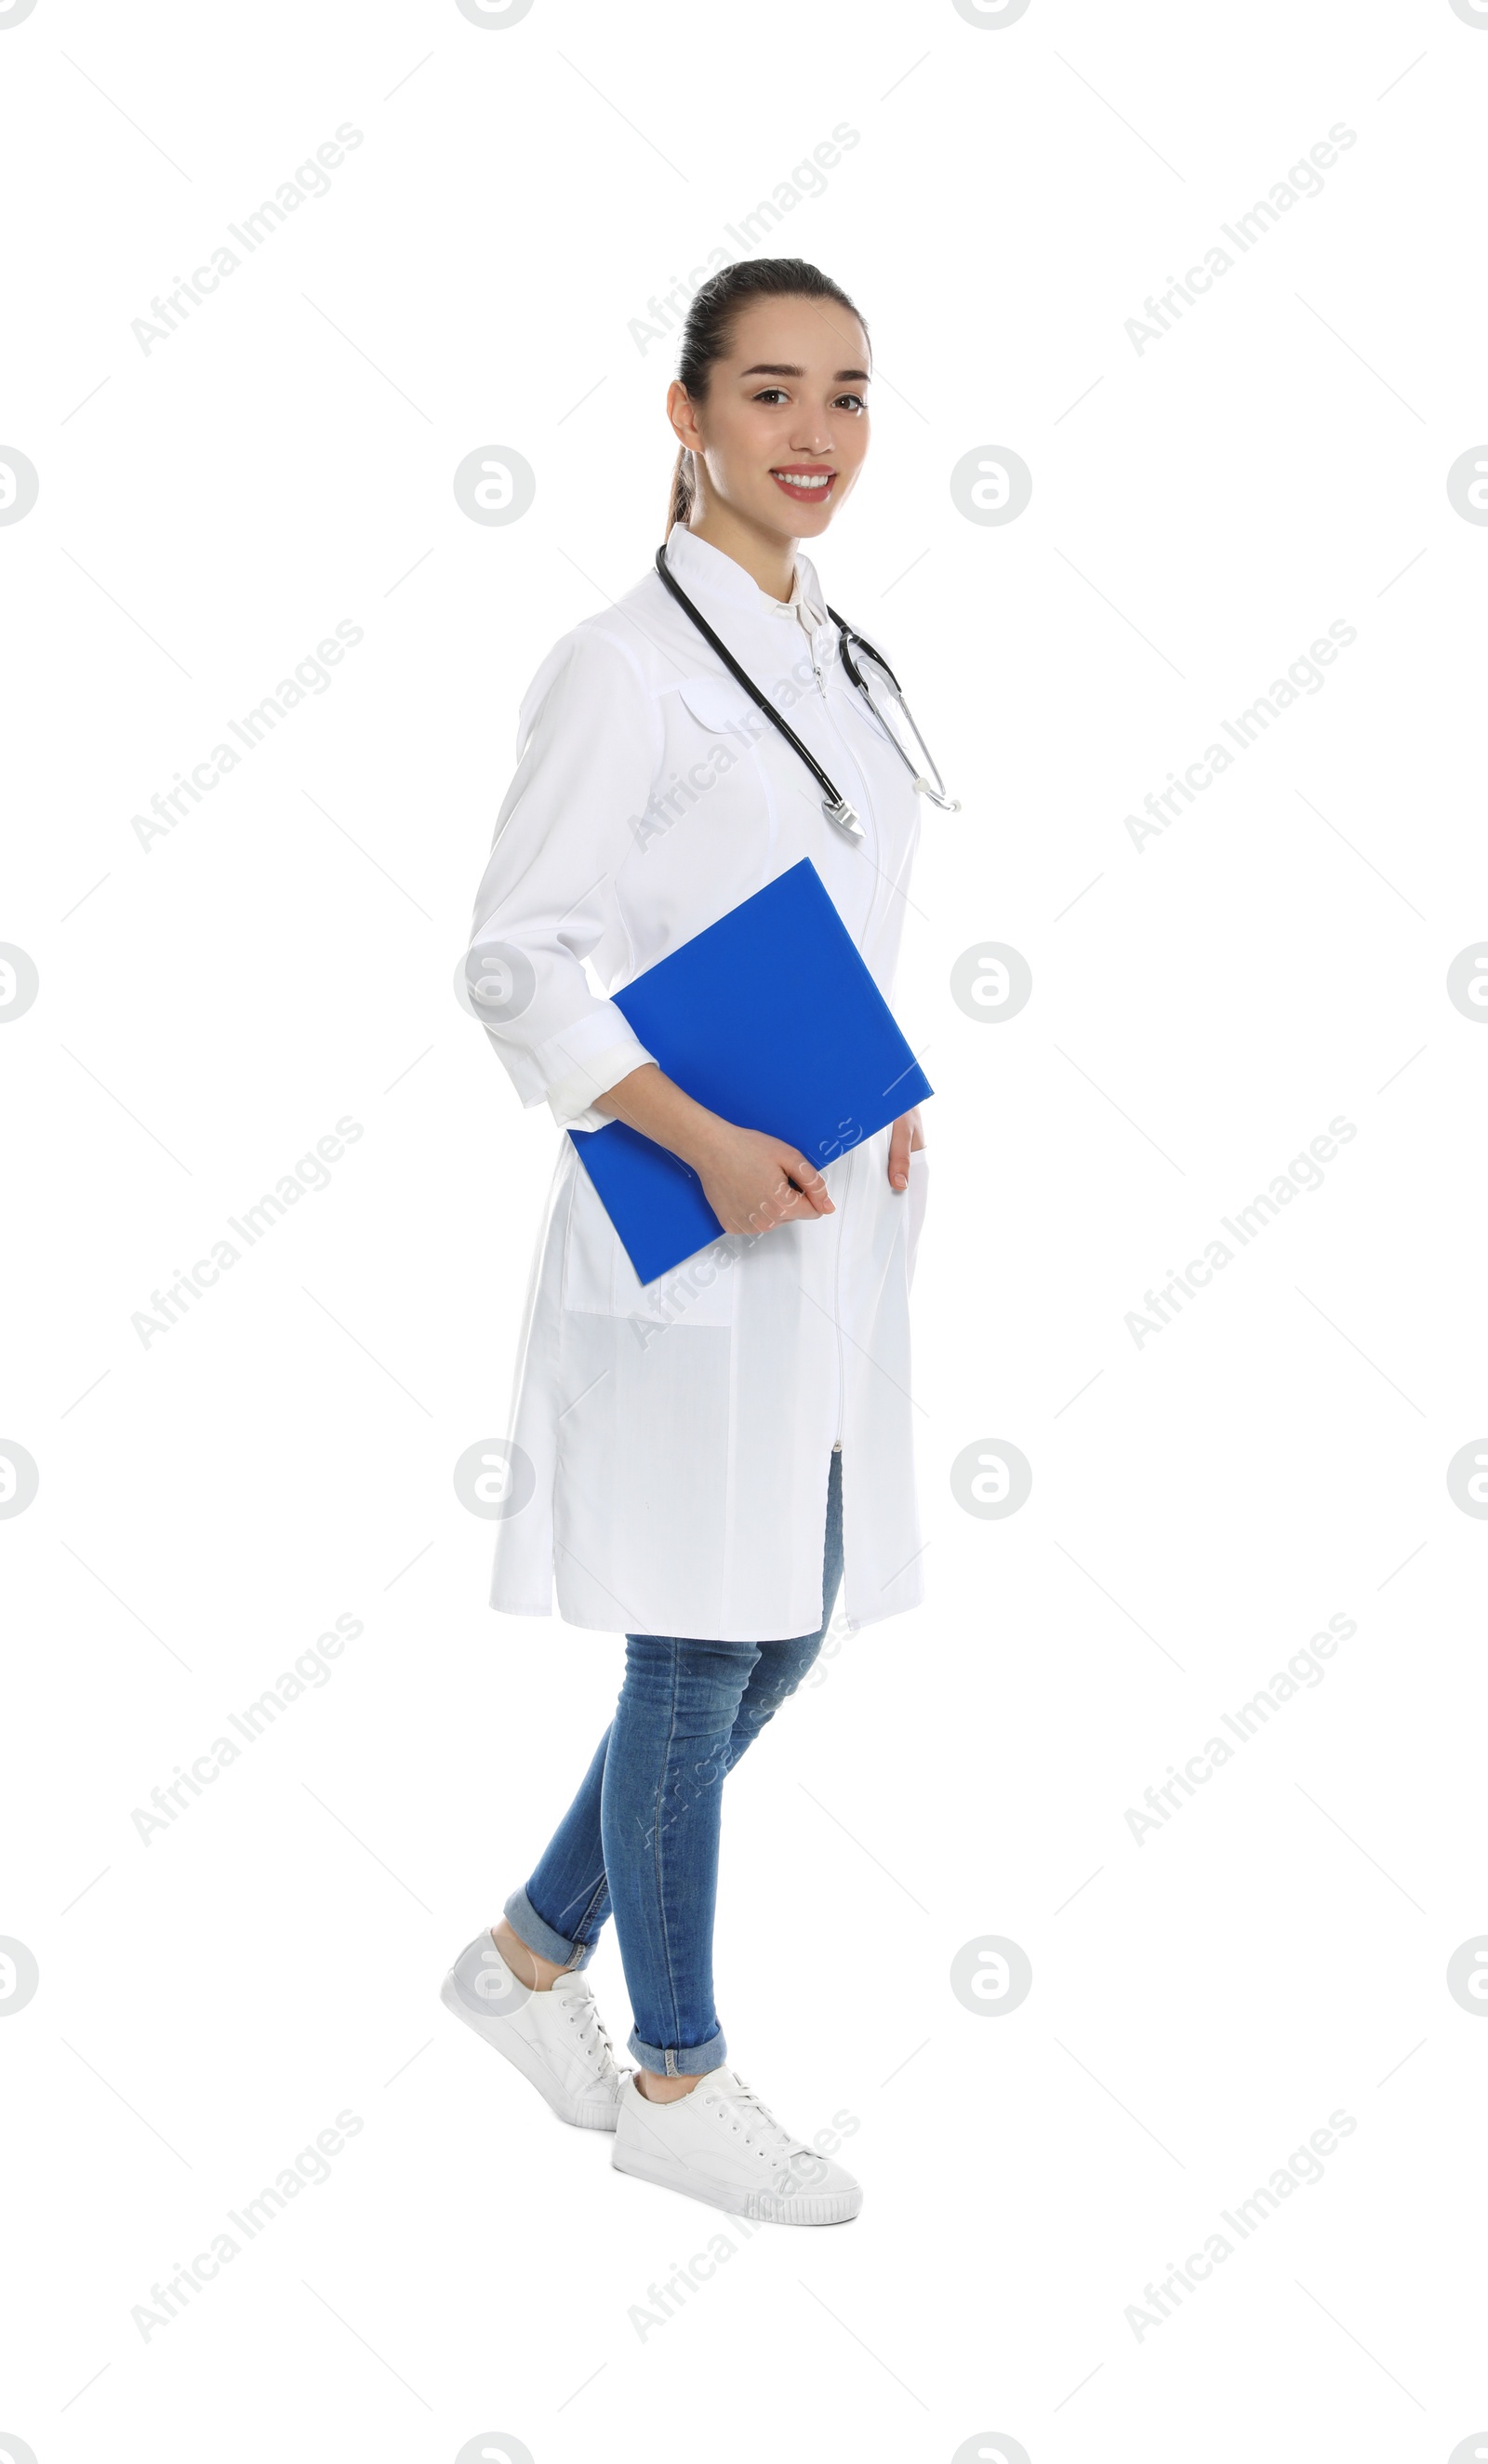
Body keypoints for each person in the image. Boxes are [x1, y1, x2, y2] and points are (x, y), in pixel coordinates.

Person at [443, 257, 931, 2226]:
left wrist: (878, 1095)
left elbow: (820, 918)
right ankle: (675, 2069)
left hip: (818, 1208)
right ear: (684, 417)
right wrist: (700, 1135)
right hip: (687, 1216)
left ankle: (526, 1958)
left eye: (845, 397)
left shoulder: (844, 657)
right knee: (697, 1626)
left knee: (785, 1610)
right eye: (768, 397)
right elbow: (515, 959)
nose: (811, 438)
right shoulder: (619, 664)